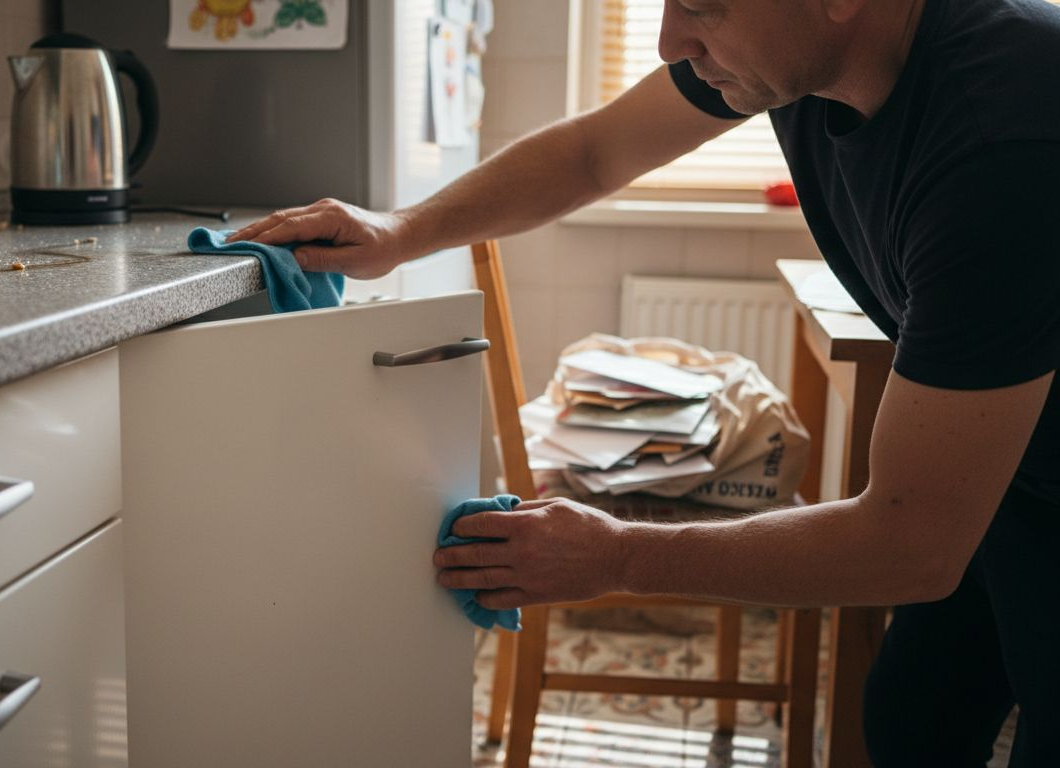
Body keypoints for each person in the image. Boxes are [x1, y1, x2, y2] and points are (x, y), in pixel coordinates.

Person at [229, 0, 1060, 762]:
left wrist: (620, 553)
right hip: (1012, 464)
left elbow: (907, 547)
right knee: (914, 715)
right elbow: (593, 152)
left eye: (702, 6)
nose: (669, 41)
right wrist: (401, 230)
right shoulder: (801, 54)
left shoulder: (1003, 145)